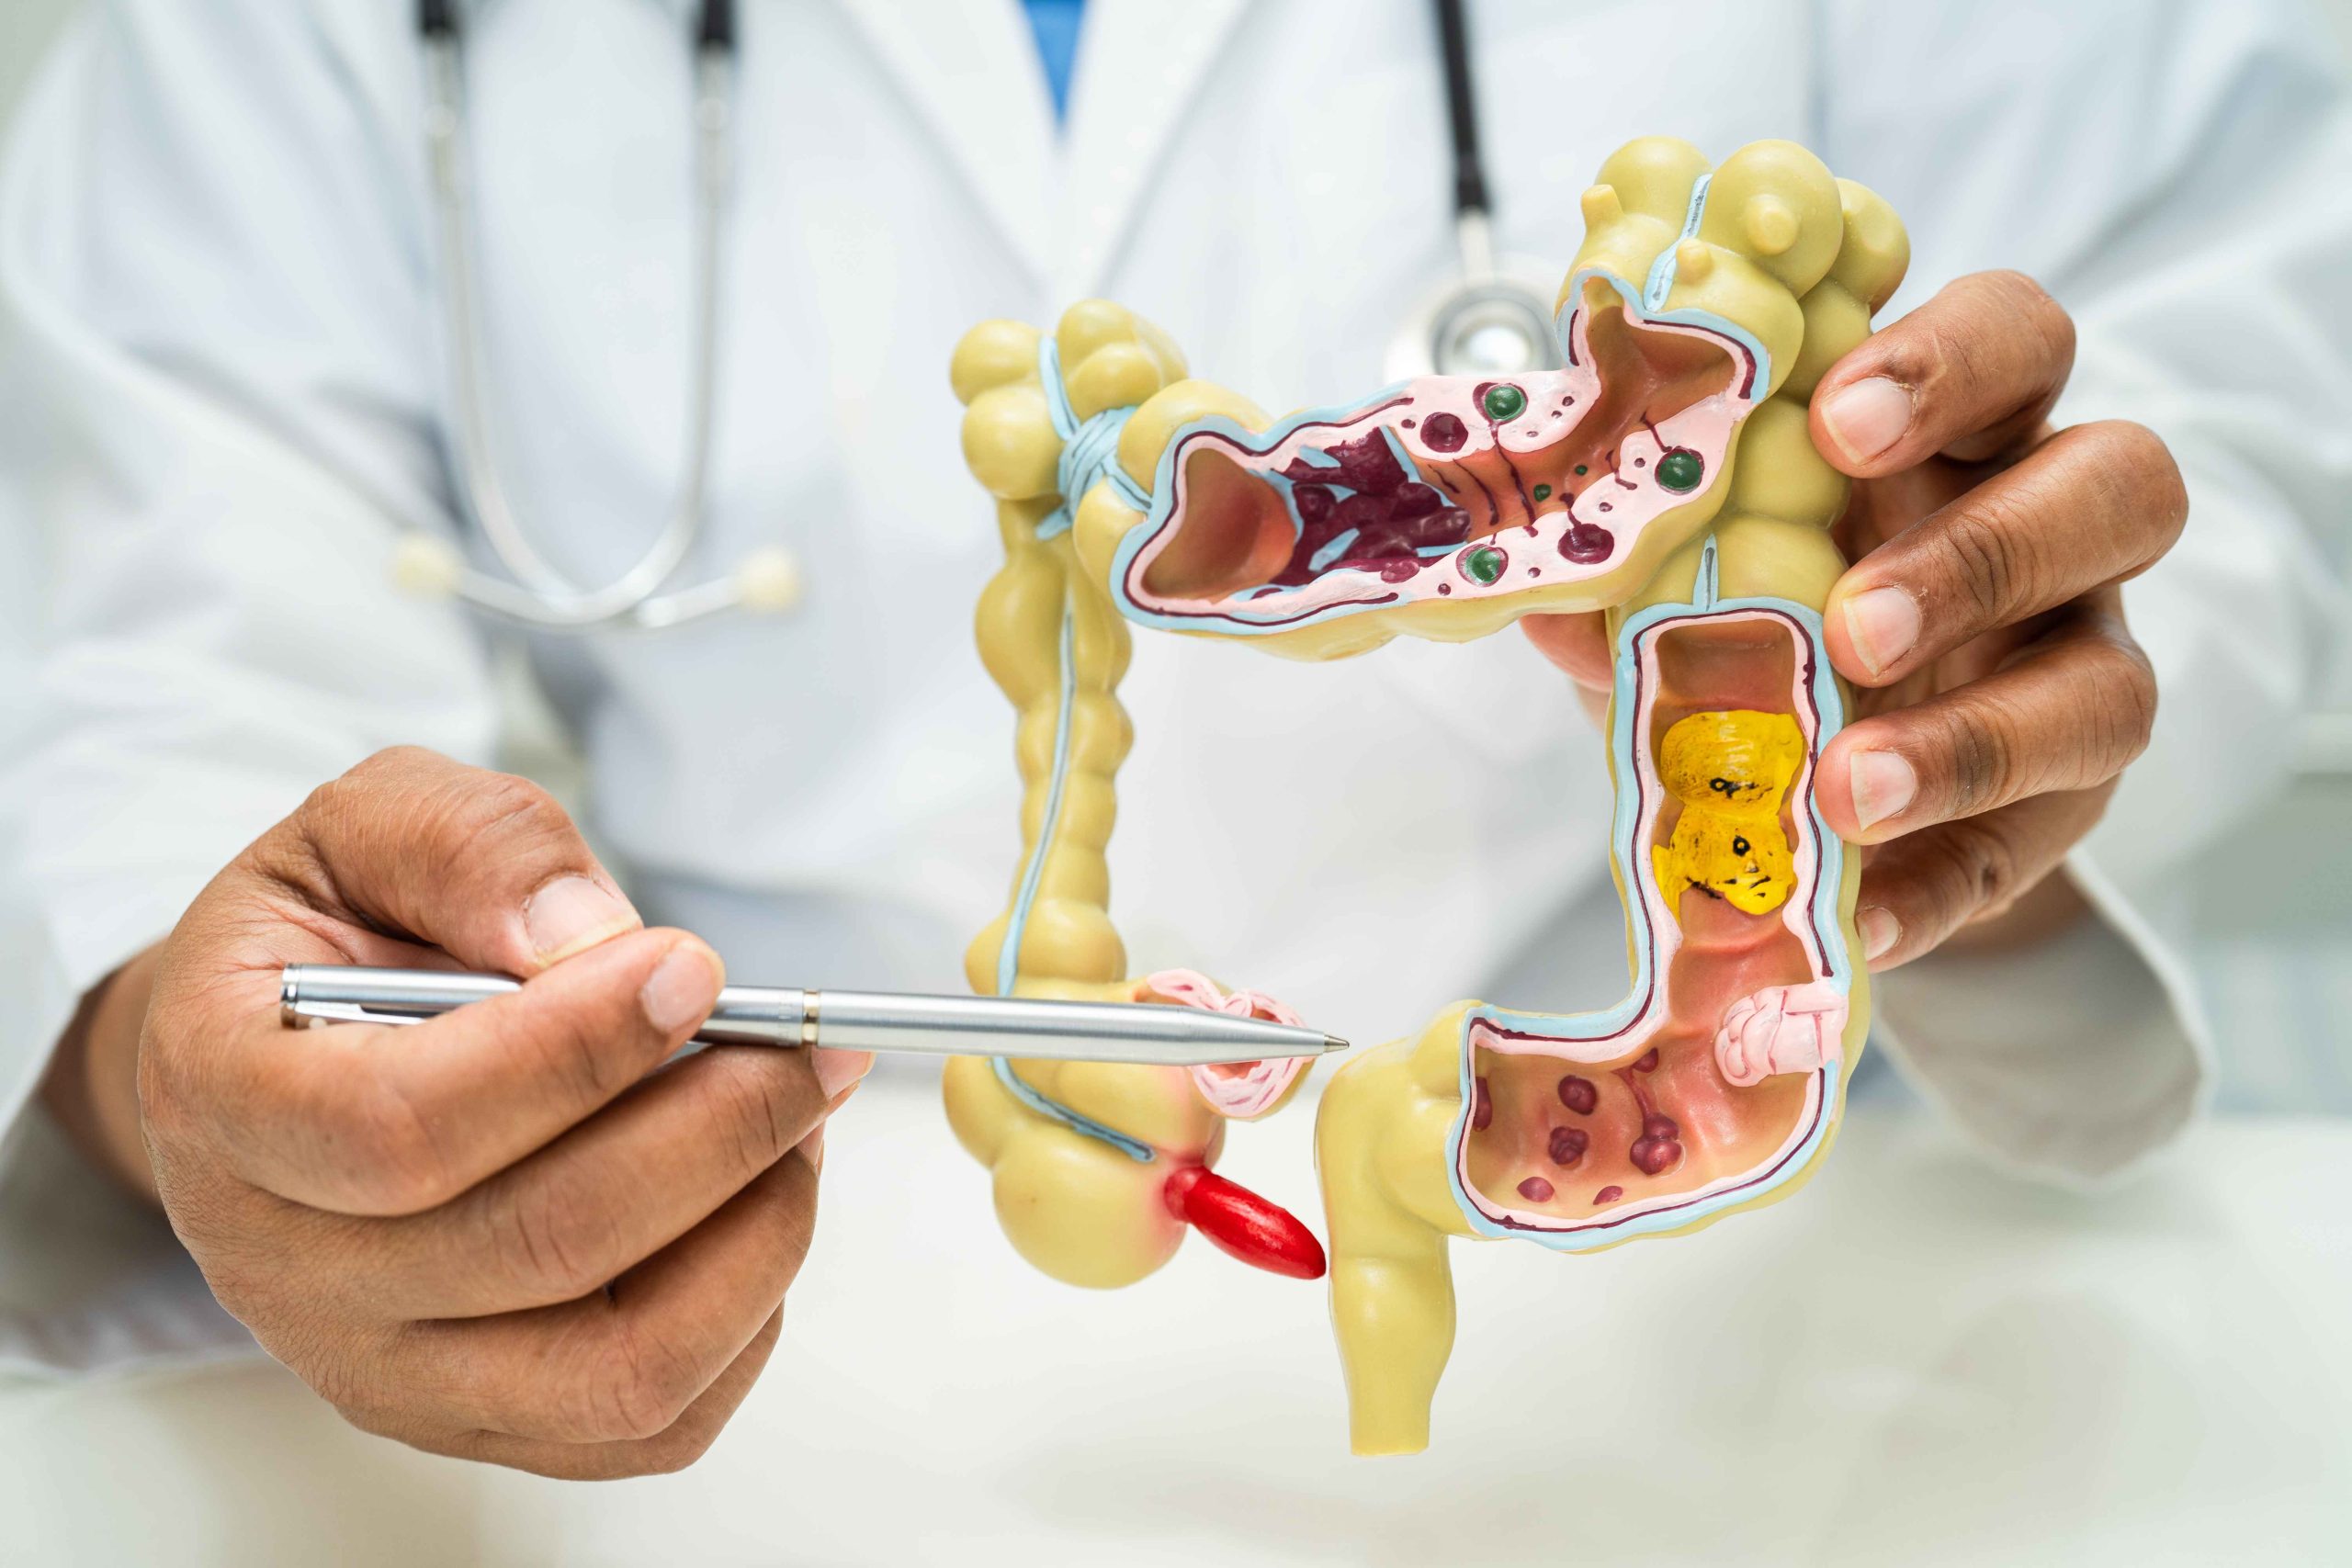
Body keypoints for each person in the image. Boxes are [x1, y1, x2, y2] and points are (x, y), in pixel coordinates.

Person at [0, 0, 2345, 1479]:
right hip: (754, 1319)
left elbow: (2259, 311)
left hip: (1725, 1384)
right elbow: (152, 587)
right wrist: (190, 1042)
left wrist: (1995, 634)